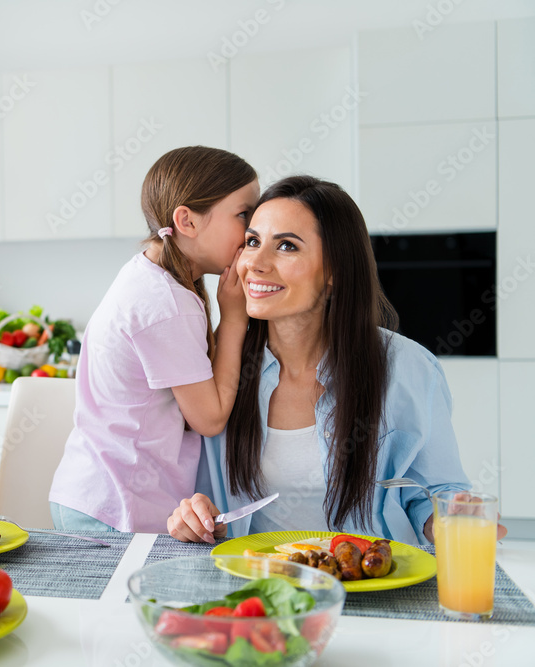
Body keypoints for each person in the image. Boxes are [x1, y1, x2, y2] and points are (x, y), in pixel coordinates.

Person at [168, 175, 505, 546]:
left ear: (334, 273)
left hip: (370, 588)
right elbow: (201, 498)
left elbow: (435, 494)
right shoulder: (220, 372)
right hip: (259, 589)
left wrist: (449, 519)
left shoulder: (409, 369)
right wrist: (193, 516)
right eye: (252, 242)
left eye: (286, 247)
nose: (256, 263)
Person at [48, 146, 259, 533]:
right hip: (116, 505)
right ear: (187, 221)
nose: (251, 232)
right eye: (244, 214)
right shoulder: (168, 303)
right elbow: (209, 418)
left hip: (92, 494)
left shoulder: (149, 275)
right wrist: (233, 318)